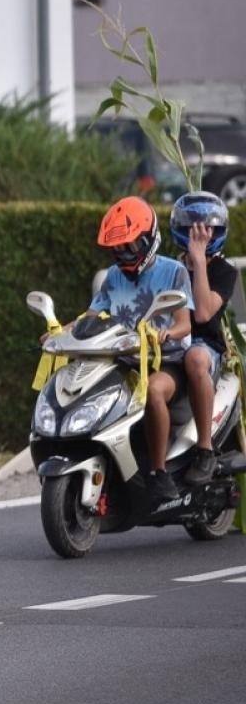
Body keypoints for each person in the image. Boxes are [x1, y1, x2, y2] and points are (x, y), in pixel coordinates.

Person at [88, 196, 193, 502]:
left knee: (154, 391)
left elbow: (185, 324)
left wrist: (166, 333)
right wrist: (59, 332)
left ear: (149, 240)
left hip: (167, 361)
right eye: (116, 249)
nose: (122, 255)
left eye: (129, 247)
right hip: (125, 361)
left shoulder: (174, 272)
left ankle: (158, 473)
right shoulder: (113, 276)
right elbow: (90, 317)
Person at [170, 192, 237, 485]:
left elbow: (203, 313)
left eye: (208, 229)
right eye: (192, 228)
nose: (200, 234)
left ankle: (205, 449)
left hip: (203, 348)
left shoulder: (224, 271)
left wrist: (198, 261)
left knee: (195, 358)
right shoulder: (168, 267)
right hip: (167, 343)